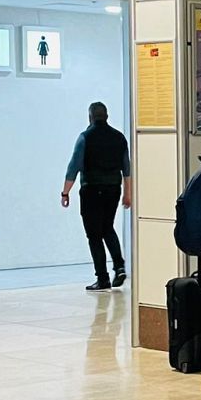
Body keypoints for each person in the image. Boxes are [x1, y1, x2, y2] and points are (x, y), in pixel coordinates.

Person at [61, 102, 132, 291]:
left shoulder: (85, 137)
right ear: (106, 116)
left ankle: (102, 278)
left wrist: (65, 192)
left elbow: (73, 166)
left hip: (91, 189)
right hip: (113, 189)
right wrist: (128, 194)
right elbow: (126, 168)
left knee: (94, 235)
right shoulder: (119, 137)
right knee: (108, 227)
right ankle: (119, 266)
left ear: (90, 117)